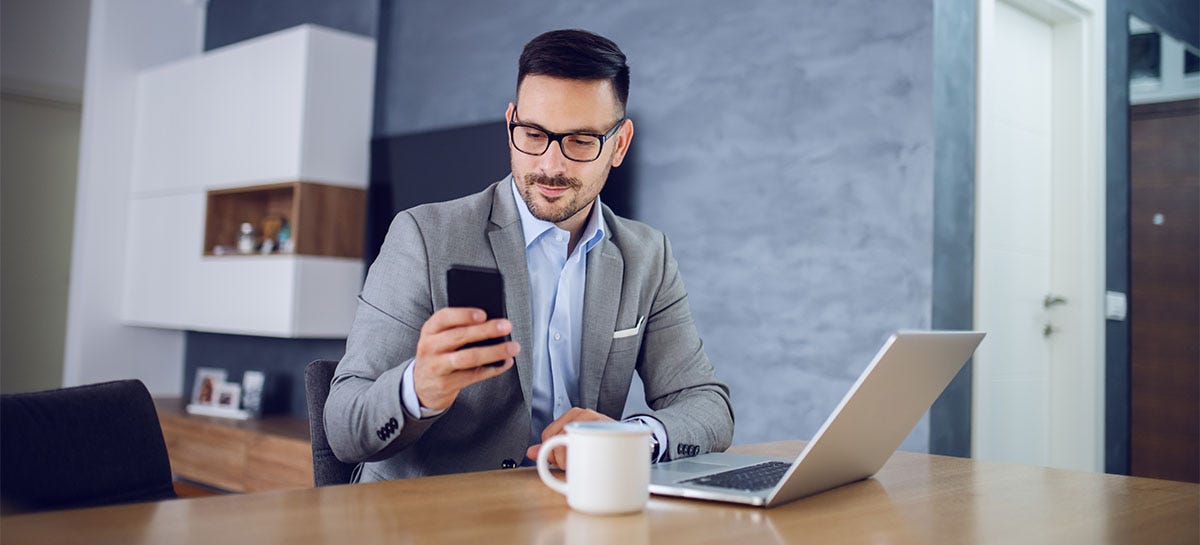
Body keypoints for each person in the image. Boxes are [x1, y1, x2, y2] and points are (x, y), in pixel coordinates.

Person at [325, 29, 734, 481]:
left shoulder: (647, 255)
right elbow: (344, 429)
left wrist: (633, 438)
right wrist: (417, 388)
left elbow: (707, 404)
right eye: (534, 134)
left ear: (619, 144)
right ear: (510, 125)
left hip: (570, 507)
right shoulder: (424, 236)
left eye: (580, 141)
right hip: (434, 515)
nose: (549, 165)